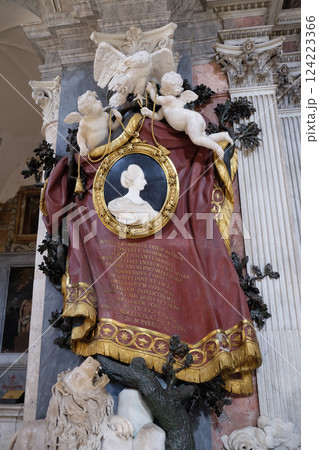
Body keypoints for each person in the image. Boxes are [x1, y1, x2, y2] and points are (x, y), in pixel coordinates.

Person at [141, 72, 233, 159]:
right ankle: (222, 136)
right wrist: (148, 113)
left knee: (197, 139)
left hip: (191, 120)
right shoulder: (165, 107)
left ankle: (217, 148)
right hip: (194, 119)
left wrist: (151, 90)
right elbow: (158, 116)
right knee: (203, 139)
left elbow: (155, 99)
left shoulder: (170, 99)